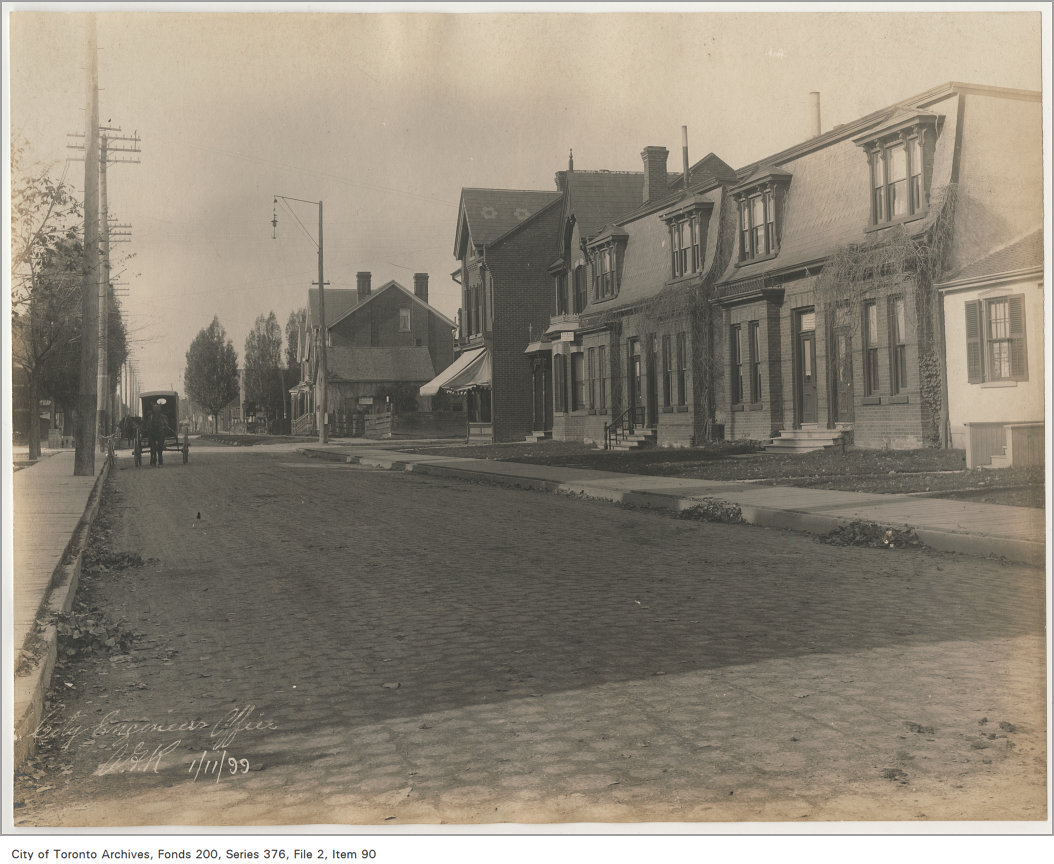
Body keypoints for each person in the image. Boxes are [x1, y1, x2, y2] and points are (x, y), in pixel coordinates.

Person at [144, 402, 171, 466]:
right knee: (152, 447)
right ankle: (153, 458)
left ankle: (160, 458)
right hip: (151, 431)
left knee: (160, 446)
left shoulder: (163, 417)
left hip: (161, 431)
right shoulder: (150, 415)